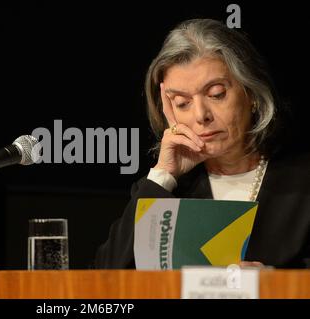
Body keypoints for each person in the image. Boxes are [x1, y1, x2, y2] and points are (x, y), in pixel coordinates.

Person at [94, 19, 310, 269]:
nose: (200, 115)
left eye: (216, 94)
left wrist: (278, 285)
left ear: (250, 93)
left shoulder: (302, 181)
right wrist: (163, 175)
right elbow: (104, 280)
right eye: (182, 102)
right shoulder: (168, 190)